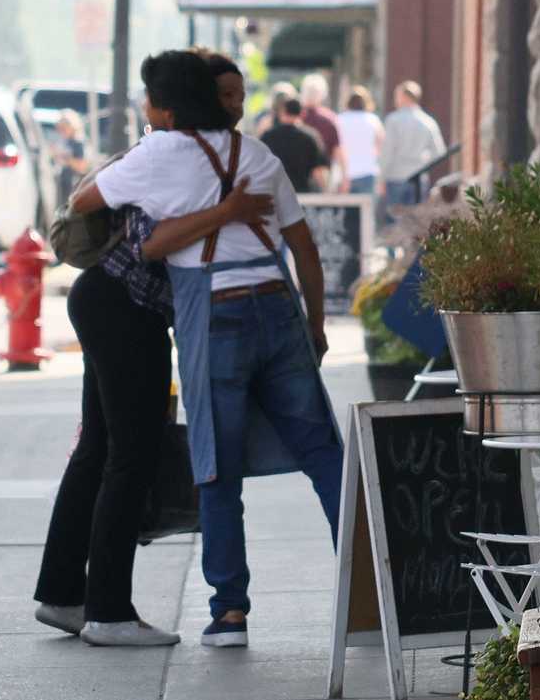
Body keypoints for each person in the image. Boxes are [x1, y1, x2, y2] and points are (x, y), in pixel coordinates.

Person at [67, 50, 343, 650]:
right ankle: (372, 592)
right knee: (324, 452)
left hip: (216, 315)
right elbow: (306, 250)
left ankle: (230, 613)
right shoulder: (260, 155)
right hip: (277, 307)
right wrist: (315, 327)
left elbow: (88, 206)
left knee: (215, 465)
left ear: (167, 105)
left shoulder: (161, 153)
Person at [33, 105, 273, 648]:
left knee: (98, 448)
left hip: (104, 301)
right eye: (227, 98)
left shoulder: (155, 151)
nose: (236, 111)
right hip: (126, 310)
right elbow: (151, 241)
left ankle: (65, 594)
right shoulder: (175, 159)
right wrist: (229, 210)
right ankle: (109, 611)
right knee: (130, 455)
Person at [379, 81, 447, 217]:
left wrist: (381, 178)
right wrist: (422, 161)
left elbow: (387, 152)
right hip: (419, 179)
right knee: (416, 222)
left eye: (397, 96)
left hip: (396, 177)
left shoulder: (393, 120)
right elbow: (440, 153)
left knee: (396, 222)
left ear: (404, 97)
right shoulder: (428, 122)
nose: (395, 100)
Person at [264, 98, 331, 194]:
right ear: (302, 113)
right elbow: (318, 171)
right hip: (303, 196)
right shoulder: (310, 137)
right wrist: (325, 192)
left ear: (282, 113)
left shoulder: (268, 137)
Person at [296, 74, 344, 190]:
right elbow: (337, 151)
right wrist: (344, 175)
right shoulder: (330, 119)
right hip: (323, 175)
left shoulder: (295, 118)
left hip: (297, 174)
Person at [334, 87, 384, 197]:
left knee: (346, 212)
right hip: (368, 171)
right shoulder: (373, 120)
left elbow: (336, 148)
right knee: (366, 212)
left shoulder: (339, 119)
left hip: (344, 174)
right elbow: (380, 147)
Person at [53, 110, 90, 207]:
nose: (61, 131)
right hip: (63, 184)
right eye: (59, 128)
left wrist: (66, 158)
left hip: (74, 186)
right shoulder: (64, 141)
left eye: (64, 128)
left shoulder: (79, 143)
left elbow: (82, 167)